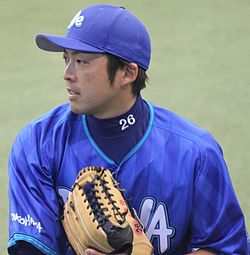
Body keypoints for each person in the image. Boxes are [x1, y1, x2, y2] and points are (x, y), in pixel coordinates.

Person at [8, 4, 248, 255]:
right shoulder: (37, 144)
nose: (67, 74)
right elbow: (28, 249)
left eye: (82, 61)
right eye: (66, 58)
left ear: (127, 73)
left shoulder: (195, 153)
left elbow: (227, 248)